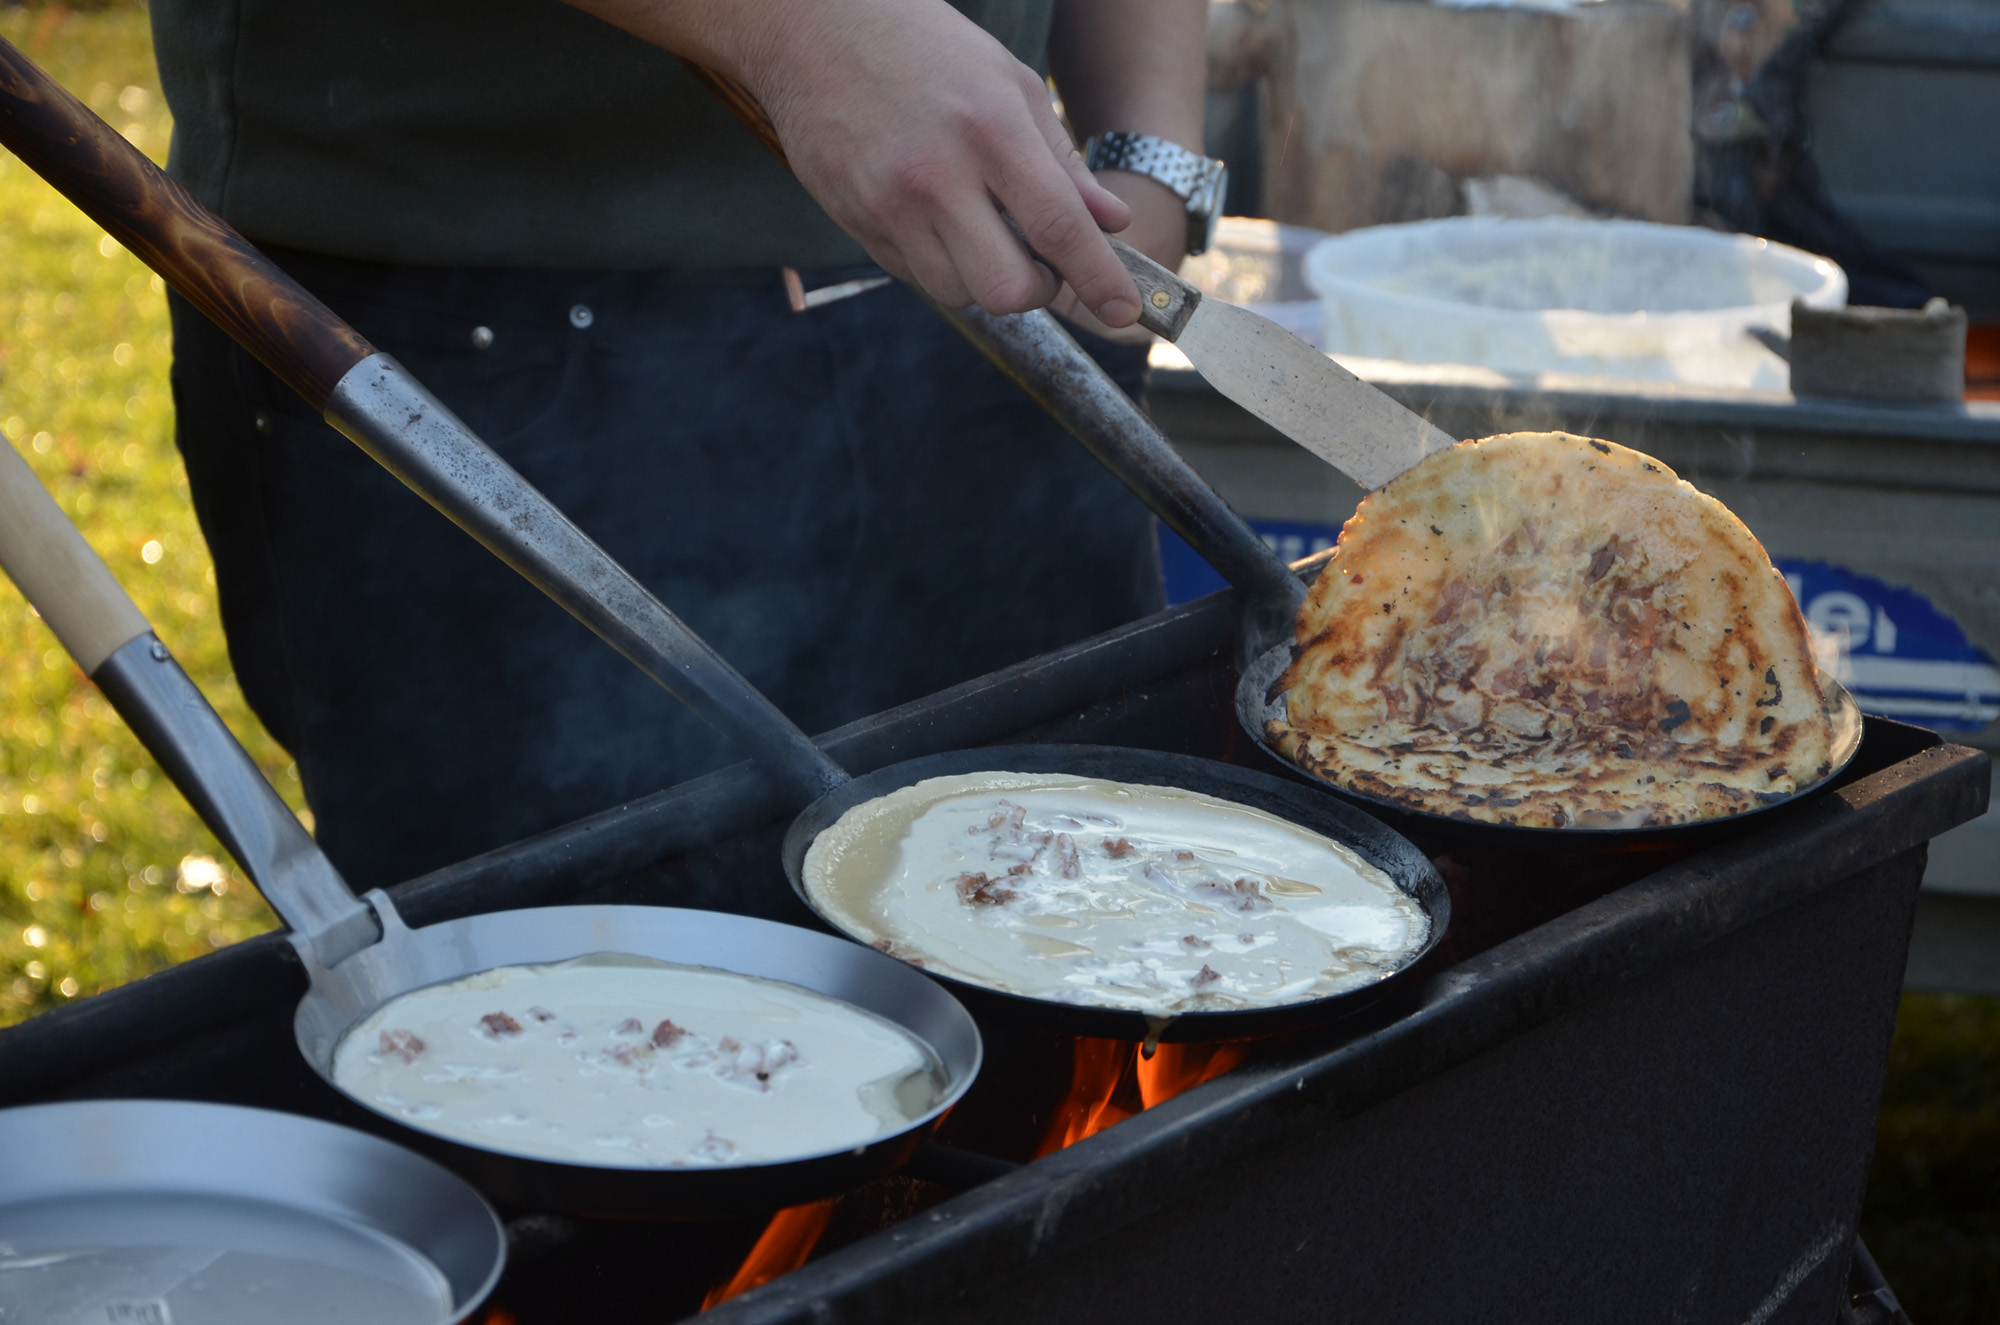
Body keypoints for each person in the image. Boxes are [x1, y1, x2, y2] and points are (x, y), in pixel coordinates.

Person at [149, 0, 1213, 892]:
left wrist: (1148, 154)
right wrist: (809, 31)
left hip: (997, 278)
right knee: (578, 1004)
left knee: (1079, 916)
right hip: (492, 323)